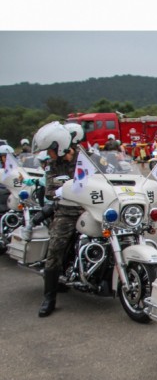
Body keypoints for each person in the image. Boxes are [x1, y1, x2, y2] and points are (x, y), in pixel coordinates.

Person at [31, 121, 81, 317]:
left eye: (50, 150)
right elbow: (51, 191)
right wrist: (66, 188)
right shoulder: (54, 166)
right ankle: (49, 297)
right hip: (67, 212)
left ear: (58, 146)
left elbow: (106, 175)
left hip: (91, 208)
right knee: (55, 249)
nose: (48, 154)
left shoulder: (86, 158)